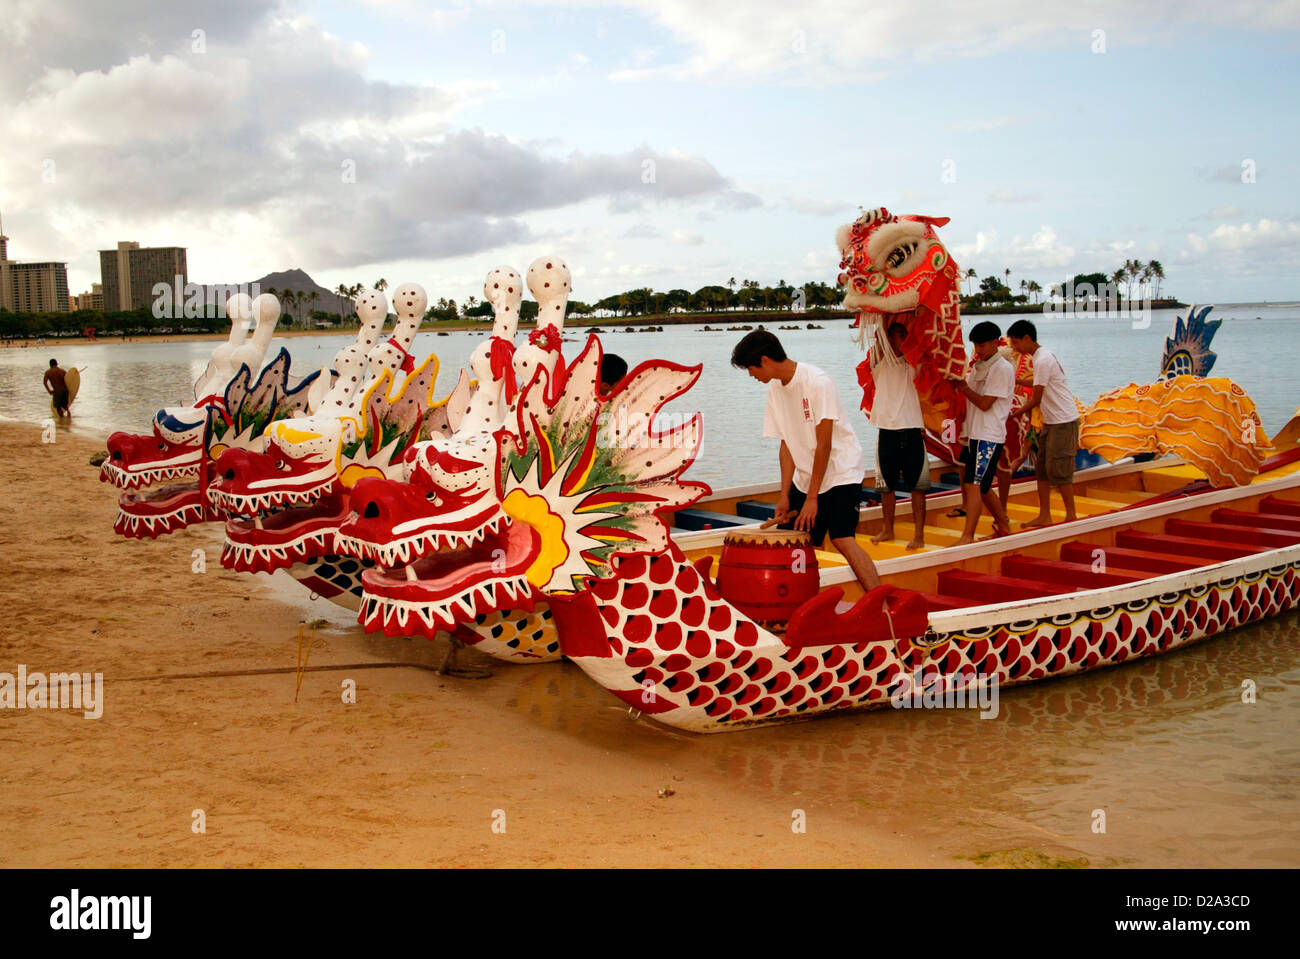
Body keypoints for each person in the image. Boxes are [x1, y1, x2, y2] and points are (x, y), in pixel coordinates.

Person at [732, 329, 880, 592]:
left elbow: (824, 445)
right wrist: (785, 494)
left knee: (842, 538)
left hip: (840, 472)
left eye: (750, 369)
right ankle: (801, 601)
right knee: (796, 540)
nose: (752, 375)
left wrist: (813, 498)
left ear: (764, 360)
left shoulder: (817, 382)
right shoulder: (775, 391)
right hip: (806, 477)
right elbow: (786, 445)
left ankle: (881, 604)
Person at [946, 321, 1013, 546]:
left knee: (974, 484)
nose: (978, 349)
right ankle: (1003, 524)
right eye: (975, 345)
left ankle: (968, 536)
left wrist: (963, 388)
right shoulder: (978, 366)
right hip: (976, 433)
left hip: (989, 435)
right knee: (981, 486)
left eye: (982, 345)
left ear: (996, 342)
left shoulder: (1001, 368)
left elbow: (985, 403)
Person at [1007, 319, 1079, 526]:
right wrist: (1018, 381)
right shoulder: (1039, 359)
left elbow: (1036, 398)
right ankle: (1045, 515)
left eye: (1016, 344)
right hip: (1050, 421)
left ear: (1027, 338)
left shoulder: (1042, 360)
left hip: (1063, 420)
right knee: (1042, 468)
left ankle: (1071, 516)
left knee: (1060, 469)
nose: (1016, 349)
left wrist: (1015, 414)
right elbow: (1038, 382)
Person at [866, 322, 929, 550]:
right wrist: (884, 330)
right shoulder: (879, 361)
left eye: (901, 337)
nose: (896, 342)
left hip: (911, 428)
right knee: (886, 487)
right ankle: (888, 529)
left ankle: (919, 534)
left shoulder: (913, 362)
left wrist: (907, 338)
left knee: (917, 487)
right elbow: (878, 345)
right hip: (886, 431)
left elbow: (920, 352)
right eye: (892, 337)